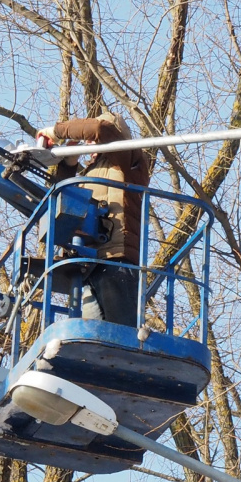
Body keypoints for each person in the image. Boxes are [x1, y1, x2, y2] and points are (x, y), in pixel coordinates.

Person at [36, 113, 150, 326]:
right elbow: (63, 200)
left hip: (117, 257)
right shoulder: (89, 174)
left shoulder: (129, 160)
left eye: (92, 139)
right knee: (92, 334)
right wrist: (69, 165)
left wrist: (57, 131)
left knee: (121, 331)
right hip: (88, 262)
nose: (89, 141)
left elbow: (101, 130)